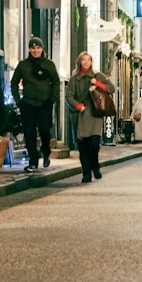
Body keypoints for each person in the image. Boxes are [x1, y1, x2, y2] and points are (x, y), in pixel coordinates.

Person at [10, 37, 60, 173]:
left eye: (38, 48)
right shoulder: (23, 65)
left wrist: (52, 98)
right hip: (28, 103)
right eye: (33, 48)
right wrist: (18, 100)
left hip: (45, 103)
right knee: (29, 132)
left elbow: (56, 81)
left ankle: (46, 151)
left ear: (42, 49)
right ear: (29, 49)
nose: (35, 50)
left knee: (45, 129)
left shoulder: (49, 64)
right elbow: (14, 83)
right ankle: (33, 161)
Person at [66, 51, 116, 182]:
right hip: (80, 115)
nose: (86, 62)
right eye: (83, 60)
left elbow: (111, 88)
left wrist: (97, 84)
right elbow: (68, 96)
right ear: (79, 62)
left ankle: (95, 166)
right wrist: (77, 106)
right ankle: (86, 173)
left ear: (91, 62)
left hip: (95, 114)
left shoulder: (97, 76)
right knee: (83, 148)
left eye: (88, 60)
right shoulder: (74, 79)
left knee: (94, 144)